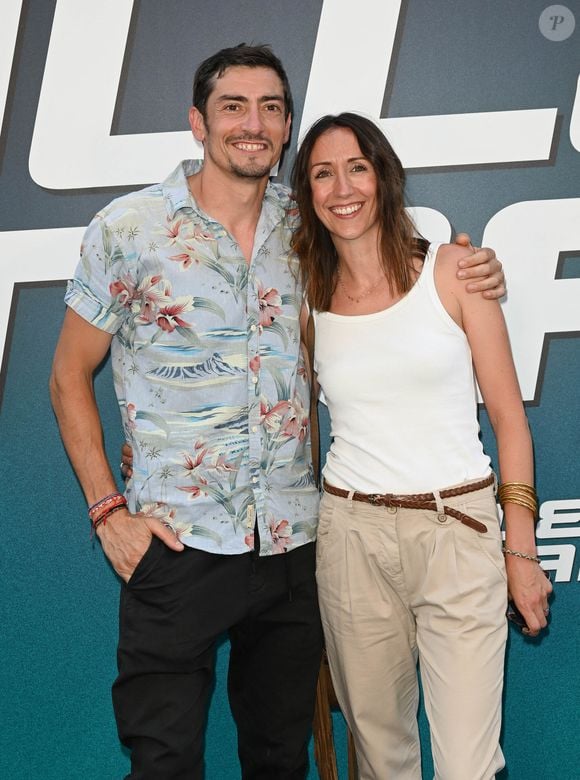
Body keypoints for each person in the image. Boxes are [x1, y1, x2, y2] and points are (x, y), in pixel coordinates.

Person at [49, 44, 505, 779]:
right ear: (199, 122)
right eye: (233, 106)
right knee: (162, 762)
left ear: (287, 125)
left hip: (295, 544)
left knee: (279, 759)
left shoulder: (312, 227)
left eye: (269, 108)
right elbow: (68, 375)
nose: (252, 123)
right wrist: (109, 511)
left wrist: (476, 266)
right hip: (176, 541)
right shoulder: (127, 230)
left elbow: (401, 281)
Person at [290, 112, 552, 780]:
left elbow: (509, 421)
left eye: (356, 167)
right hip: (353, 537)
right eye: (322, 173)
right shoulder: (305, 301)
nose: (341, 187)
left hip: (457, 531)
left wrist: (519, 552)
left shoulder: (456, 271)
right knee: (381, 759)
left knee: (469, 765)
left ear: (383, 177)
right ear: (308, 194)